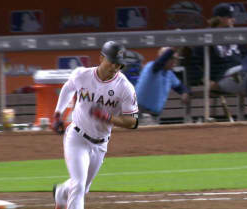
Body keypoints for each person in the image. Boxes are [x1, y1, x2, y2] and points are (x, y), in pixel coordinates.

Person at [52, 41, 139, 209]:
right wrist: (57, 113)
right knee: (78, 185)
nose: (115, 66)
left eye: (119, 64)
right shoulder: (82, 75)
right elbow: (68, 88)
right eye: (112, 61)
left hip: (100, 144)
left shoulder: (125, 87)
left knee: (82, 187)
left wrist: (108, 118)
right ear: (101, 58)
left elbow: (133, 122)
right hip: (77, 137)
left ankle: (61, 192)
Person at [194, 3, 247, 120]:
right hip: (222, 79)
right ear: (219, 18)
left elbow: (246, 55)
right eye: (229, 16)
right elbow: (195, 63)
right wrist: (206, 81)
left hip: (242, 75)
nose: (233, 19)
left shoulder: (236, 35)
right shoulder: (207, 36)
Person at [135, 47, 189, 125]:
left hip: (152, 116)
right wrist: (173, 48)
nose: (174, 62)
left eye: (176, 59)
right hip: (139, 113)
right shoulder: (151, 67)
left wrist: (185, 92)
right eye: (172, 59)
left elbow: (180, 87)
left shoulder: (169, 74)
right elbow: (160, 62)